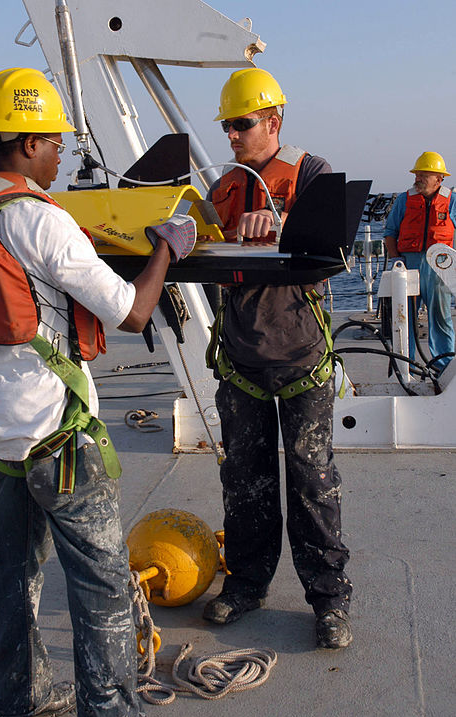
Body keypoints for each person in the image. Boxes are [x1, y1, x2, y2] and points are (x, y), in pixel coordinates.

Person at [0, 67, 201, 717]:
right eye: (56, 144)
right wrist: (168, 244)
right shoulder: (43, 218)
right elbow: (131, 311)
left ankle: (17, 698)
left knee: (12, 572)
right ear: (28, 139)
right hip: (60, 435)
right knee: (100, 588)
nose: (61, 156)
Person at [202, 67, 352, 649]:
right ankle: (245, 585)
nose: (232, 137)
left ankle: (330, 599)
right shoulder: (222, 186)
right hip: (240, 359)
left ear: (273, 120)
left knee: (313, 482)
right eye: (228, 127)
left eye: (241, 125)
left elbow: (334, 238)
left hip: (300, 360)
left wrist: (283, 223)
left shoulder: (312, 173)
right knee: (244, 480)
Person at [384, 151, 456, 372]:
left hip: (439, 269)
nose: (418, 179)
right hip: (409, 266)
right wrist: (397, 262)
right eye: (417, 174)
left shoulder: (452, 201)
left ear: (439, 179)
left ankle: (444, 367)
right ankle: (408, 366)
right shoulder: (404, 200)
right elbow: (390, 233)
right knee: (404, 319)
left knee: (441, 319)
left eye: (424, 175)